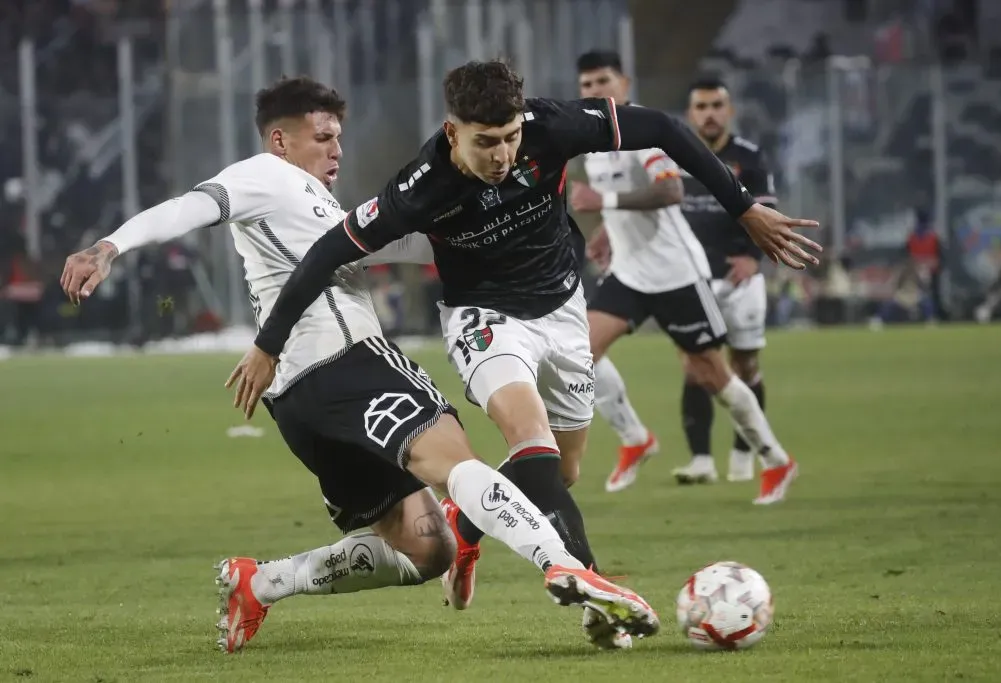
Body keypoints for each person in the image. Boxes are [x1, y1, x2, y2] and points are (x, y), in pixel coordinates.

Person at [59, 76, 658, 654]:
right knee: (458, 465)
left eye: (339, 136)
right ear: (280, 140)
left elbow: (384, 243)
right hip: (348, 363)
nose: (336, 148)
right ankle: (564, 567)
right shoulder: (263, 176)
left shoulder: (311, 200)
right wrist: (109, 245)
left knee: (429, 549)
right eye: (322, 137)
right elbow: (190, 207)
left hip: (298, 401)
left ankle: (261, 582)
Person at [231, 59, 820, 626]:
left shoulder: (551, 126)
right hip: (484, 318)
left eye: (511, 138)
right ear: (452, 131)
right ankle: (591, 586)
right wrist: (269, 344)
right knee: (526, 435)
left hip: (563, 311)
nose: (504, 155)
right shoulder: (421, 186)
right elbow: (329, 250)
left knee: (560, 473)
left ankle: (467, 526)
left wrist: (743, 210)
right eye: (486, 142)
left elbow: (663, 128)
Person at [569, 55, 800, 502]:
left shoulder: (645, 132)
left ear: (624, 82)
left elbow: (671, 189)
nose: (594, 89)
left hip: (677, 274)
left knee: (711, 373)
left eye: (603, 80)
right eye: (587, 82)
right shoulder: (595, 140)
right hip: (630, 273)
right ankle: (635, 438)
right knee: (578, 352)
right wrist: (606, 232)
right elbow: (627, 202)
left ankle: (775, 460)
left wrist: (606, 201)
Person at [670, 76, 785, 486]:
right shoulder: (674, 155)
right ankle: (701, 460)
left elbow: (765, 210)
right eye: (701, 107)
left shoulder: (749, 157)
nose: (710, 114)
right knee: (696, 367)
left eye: (717, 105)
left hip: (738, 278)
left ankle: (743, 456)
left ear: (729, 110)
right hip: (692, 277)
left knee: (744, 365)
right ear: (690, 113)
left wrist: (754, 258)